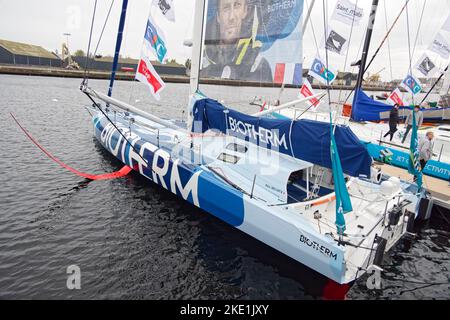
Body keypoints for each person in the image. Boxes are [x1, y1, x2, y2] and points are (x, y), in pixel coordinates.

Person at [201, 0, 273, 82]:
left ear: (245, 11)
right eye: (226, 8)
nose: (231, 17)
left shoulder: (259, 66)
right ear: (218, 16)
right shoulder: (200, 60)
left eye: (237, 6)